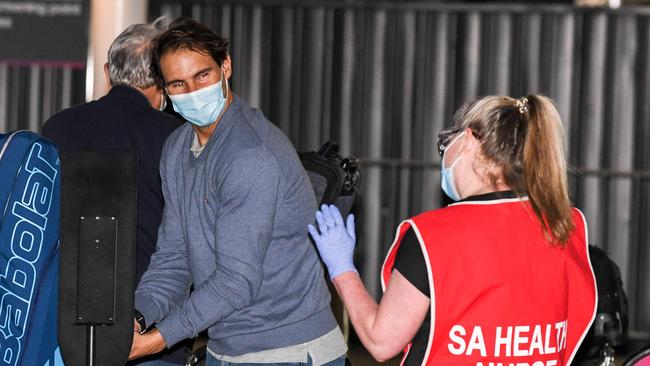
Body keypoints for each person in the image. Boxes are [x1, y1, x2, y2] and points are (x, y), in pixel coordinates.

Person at [309, 95, 598, 365]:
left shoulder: (432, 234)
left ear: (470, 140)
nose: (444, 153)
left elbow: (381, 341)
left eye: (446, 142)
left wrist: (342, 268)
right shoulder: (567, 225)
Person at [128, 17, 347, 366]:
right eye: (179, 84)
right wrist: (136, 318)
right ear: (165, 91)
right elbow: (173, 258)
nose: (194, 91)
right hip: (225, 346)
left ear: (226, 66)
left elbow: (234, 282)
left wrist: (156, 341)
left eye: (202, 75)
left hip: (287, 349)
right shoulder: (176, 148)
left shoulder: (251, 154)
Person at [41, 22, 187, 365]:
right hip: (153, 325)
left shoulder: (58, 126)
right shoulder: (176, 137)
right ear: (161, 79)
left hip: (72, 322)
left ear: (108, 71)